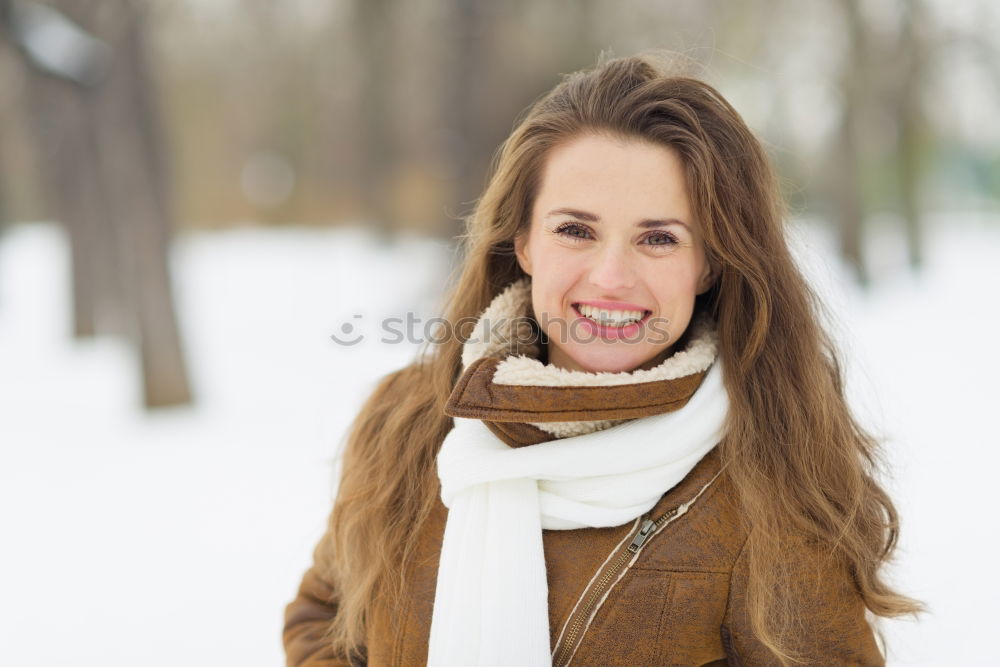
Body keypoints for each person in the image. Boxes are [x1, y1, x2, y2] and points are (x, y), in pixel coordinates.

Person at [283, 52, 921, 666]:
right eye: (575, 230)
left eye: (659, 238)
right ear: (525, 241)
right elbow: (324, 618)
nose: (611, 277)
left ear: (710, 263)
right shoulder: (407, 420)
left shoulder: (767, 471)